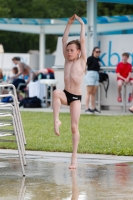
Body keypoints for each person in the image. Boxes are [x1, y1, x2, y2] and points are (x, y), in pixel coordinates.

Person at [52, 14, 86, 169]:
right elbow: (64, 40)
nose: (69, 52)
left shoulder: (82, 60)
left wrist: (81, 24)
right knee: (56, 93)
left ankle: (74, 157)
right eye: (68, 51)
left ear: (78, 51)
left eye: (72, 50)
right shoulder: (66, 60)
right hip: (66, 94)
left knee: (74, 127)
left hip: (76, 98)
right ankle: (56, 120)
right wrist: (68, 24)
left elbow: (83, 40)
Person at [85, 47, 101, 114]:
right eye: (96, 52)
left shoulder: (98, 59)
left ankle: (93, 107)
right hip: (90, 74)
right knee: (89, 92)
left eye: (99, 52)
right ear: (93, 52)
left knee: (93, 92)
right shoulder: (90, 58)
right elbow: (85, 65)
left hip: (96, 74)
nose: (98, 53)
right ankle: (87, 108)